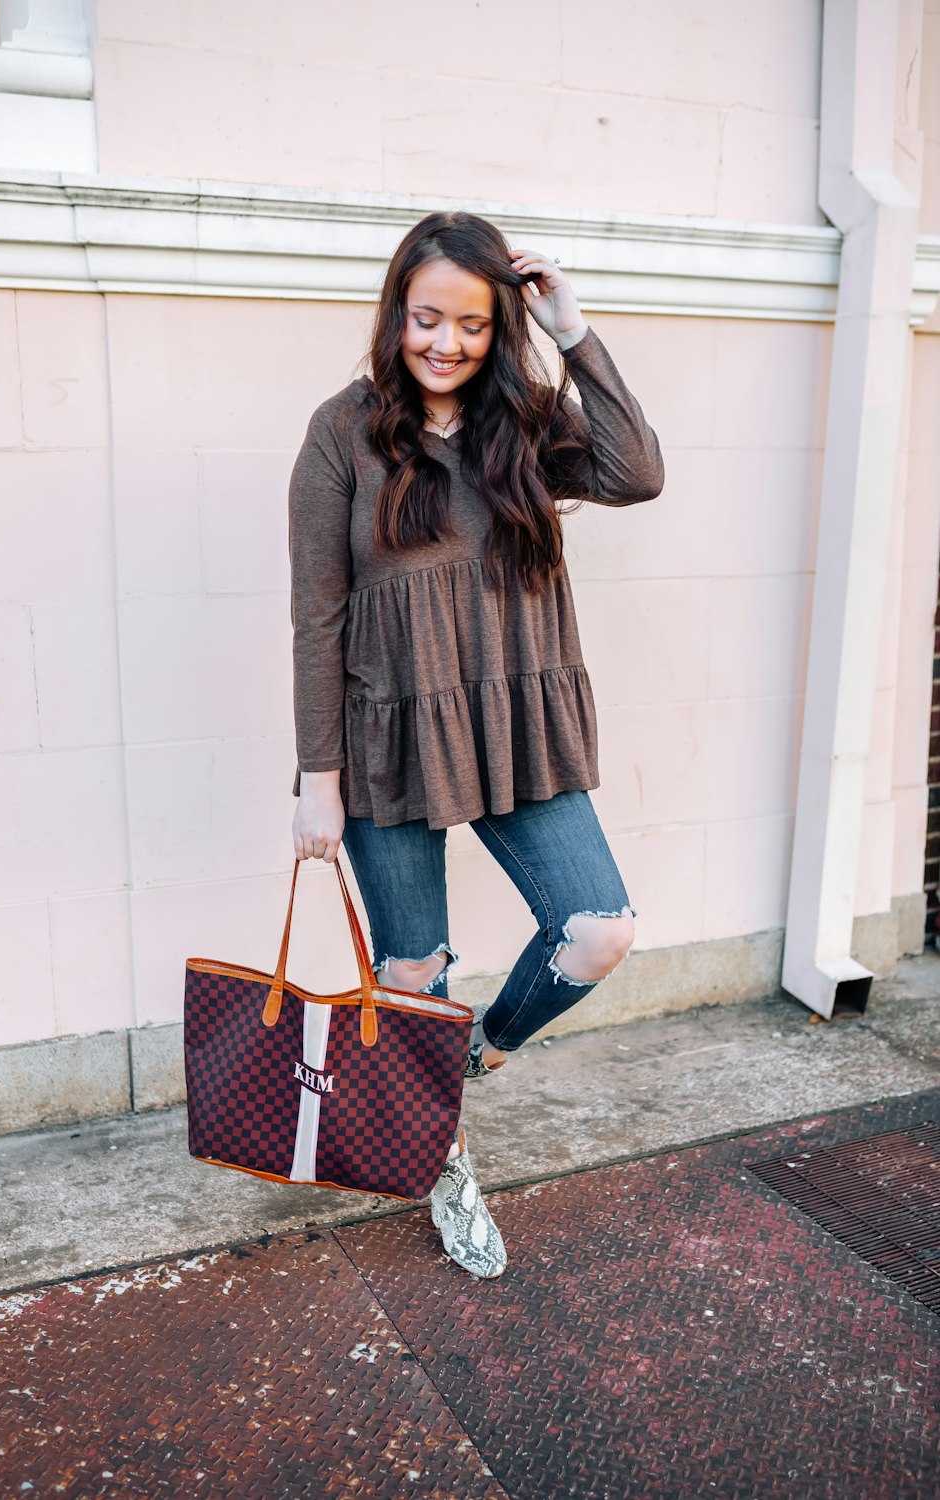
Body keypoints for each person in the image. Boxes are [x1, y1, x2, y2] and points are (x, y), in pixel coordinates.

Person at [288, 211, 664, 1279]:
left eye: (470, 323)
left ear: (499, 325)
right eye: (424, 318)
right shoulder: (340, 433)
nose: (444, 342)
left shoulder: (530, 422)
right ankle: (442, 1158)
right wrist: (320, 784)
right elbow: (316, 613)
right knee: (411, 970)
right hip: (386, 735)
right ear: (395, 313)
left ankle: (468, 1058)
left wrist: (573, 329)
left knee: (596, 930)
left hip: (514, 721)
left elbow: (635, 471)